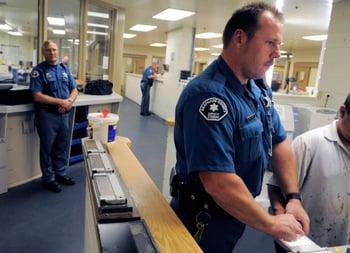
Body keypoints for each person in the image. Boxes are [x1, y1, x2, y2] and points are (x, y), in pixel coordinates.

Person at [170, 2, 310, 253]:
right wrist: (270, 223)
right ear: (239, 39)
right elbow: (218, 182)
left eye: (279, 45)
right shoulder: (210, 97)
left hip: (237, 211)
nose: (277, 53)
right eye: (270, 43)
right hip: (205, 218)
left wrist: (293, 198)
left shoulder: (257, 89)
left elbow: (278, 141)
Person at [268, 94, 350, 250]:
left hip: (343, 242)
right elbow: (275, 187)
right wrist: (281, 217)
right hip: (306, 242)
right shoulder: (308, 143)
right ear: (343, 111)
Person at [30, 40, 78, 193]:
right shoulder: (39, 71)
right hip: (47, 116)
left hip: (64, 115)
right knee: (47, 149)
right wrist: (61, 101)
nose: (52, 52)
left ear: (58, 51)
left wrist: (69, 101)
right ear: (44, 52)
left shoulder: (64, 69)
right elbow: (37, 96)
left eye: (54, 50)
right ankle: (48, 179)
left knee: (61, 147)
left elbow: (74, 89)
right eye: (48, 50)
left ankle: (61, 174)